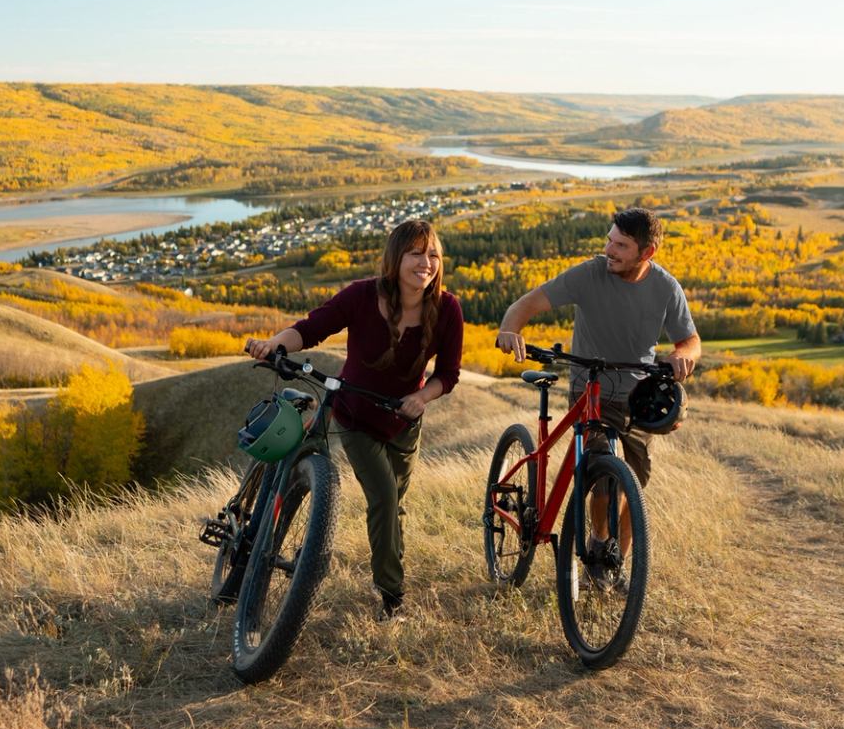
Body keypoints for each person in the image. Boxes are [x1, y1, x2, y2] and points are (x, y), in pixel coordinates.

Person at [246, 219, 463, 621]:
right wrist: (275, 343)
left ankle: (388, 578)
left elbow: (448, 373)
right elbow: (312, 329)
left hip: (404, 421)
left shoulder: (447, 308)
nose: (426, 262)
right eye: (416, 252)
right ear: (396, 258)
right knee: (383, 497)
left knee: (394, 504)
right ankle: (392, 598)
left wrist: (421, 397)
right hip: (355, 415)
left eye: (433, 254)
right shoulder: (362, 296)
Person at [494, 208, 699, 558]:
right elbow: (525, 304)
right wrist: (509, 331)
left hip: (638, 397)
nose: (609, 249)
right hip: (591, 390)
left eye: (620, 245)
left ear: (646, 253)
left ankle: (615, 562)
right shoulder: (589, 274)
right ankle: (599, 545)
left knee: (633, 487)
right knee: (604, 478)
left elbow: (690, 340)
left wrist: (684, 355)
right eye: (609, 240)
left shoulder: (665, 287)